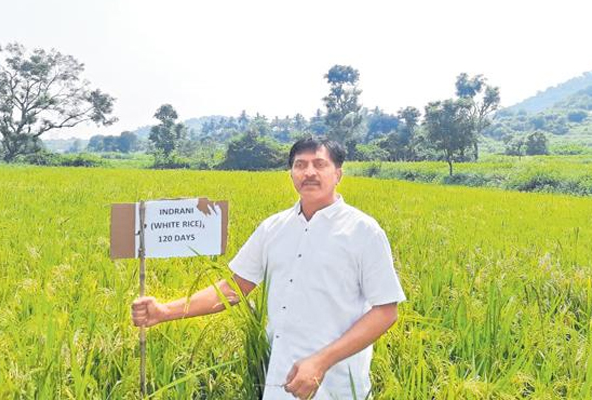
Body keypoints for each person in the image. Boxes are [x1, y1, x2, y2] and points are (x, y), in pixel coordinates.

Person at [132, 137, 406, 399]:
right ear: (291, 174)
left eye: (319, 164)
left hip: (339, 383)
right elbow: (233, 289)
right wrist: (164, 311)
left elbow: (385, 311)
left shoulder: (363, 231)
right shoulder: (273, 228)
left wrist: (322, 362)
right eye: (300, 165)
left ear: (338, 174)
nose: (309, 172)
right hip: (280, 377)